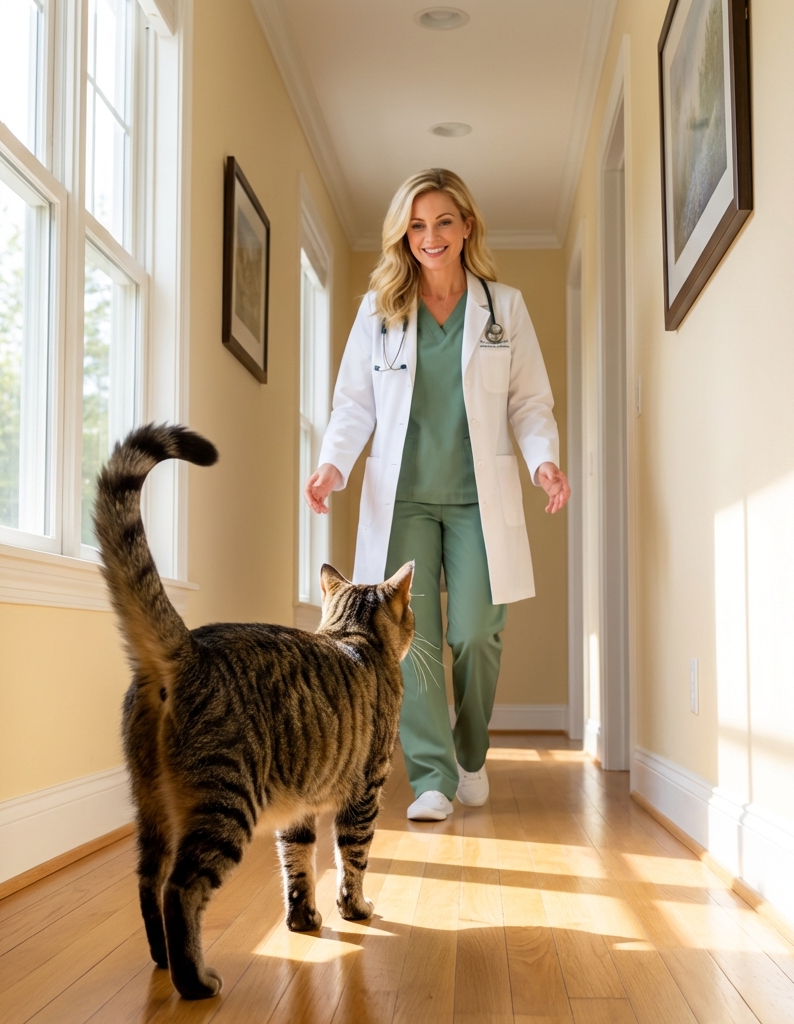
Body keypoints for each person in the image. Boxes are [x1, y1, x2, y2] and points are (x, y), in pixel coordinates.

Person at [305, 168, 569, 821]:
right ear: (404, 234)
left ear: (466, 226)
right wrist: (332, 466)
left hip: (479, 497)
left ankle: (470, 751)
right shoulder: (380, 310)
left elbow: (530, 401)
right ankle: (431, 776)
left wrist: (545, 464)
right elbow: (353, 404)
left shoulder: (503, 308)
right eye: (417, 225)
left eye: (443, 222)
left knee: (478, 630)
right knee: (406, 640)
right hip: (404, 499)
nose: (430, 236)